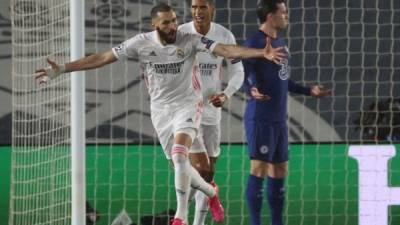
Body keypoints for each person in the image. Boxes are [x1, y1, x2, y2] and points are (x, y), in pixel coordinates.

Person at [35, 3, 284, 225]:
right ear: (154, 24)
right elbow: (102, 57)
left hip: (189, 105)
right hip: (161, 111)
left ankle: (181, 217)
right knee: (187, 169)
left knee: (179, 156)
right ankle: (210, 193)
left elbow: (228, 51)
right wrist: (64, 69)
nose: (173, 25)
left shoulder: (190, 39)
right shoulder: (141, 43)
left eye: (175, 20)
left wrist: (260, 52)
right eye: (166, 22)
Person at [242, 1, 331, 225]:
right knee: (259, 168)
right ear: (271, 16)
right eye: (283, 12)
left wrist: (309, 90)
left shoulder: (281, 43)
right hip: (260, 117)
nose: (286, 16)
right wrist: (251, 88)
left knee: (280, 169)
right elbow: (243, 72)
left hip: (279, 120)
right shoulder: (254, 42)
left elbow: (283, 80)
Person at [178, 0, 244, 224]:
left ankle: (197, 221)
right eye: (194, 6)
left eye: (203, 6)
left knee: (208, 173)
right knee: (185, 166)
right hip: (184, 111)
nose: (198, 11)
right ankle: (181, 216)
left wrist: (226, 94)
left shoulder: (224, 36)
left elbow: (238, 71)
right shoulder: (180, 33)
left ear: (212, 8)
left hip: (210, 113)